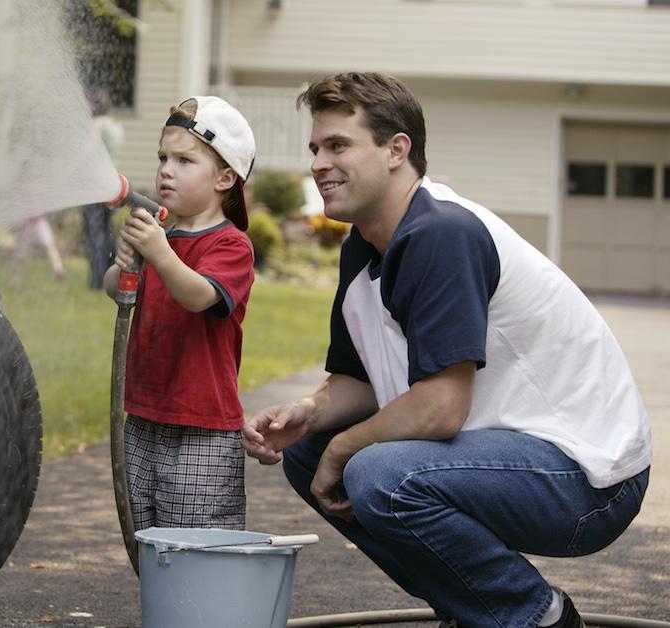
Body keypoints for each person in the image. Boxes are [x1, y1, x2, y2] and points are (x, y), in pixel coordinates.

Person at [242, 72, 652, 627]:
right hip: (509, 457)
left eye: (338, 145)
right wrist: (309, 414)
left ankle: (535, 616)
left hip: (588, 479)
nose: (317, 162)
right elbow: (356, 383)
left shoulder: (442, 232)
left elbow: (440, 408)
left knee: (376, 473)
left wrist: (344, 450)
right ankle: (472, 605)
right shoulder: (365, 245)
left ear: (396, 149)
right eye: (315, 147)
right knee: (309, 451)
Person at [105, 96, 257, 530]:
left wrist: (159, 252)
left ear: (225, 177)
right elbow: (116, 293)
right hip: (144, 415)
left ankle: (204, 602)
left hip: (202, 426)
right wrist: (125, 265)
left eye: (185, 160)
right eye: (162, 158)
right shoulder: (162, 236)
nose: (166, 170)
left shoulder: (231, 246)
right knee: (146, 537)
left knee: (195, 541)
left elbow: (198, 295)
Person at [82, 88, 124, 290]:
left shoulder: (97, 124)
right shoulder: (116, 126)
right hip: (112, 184)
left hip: (95, 185)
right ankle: (112, 271)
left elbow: (86, 150)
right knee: (105, 231)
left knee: (94, 231)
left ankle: (98, 280)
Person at [11, 212, 66, 281]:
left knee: (50, 245)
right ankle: (16, 278)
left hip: (39, 221)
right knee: (21, 254)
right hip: (25, 225)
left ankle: (59, 270)